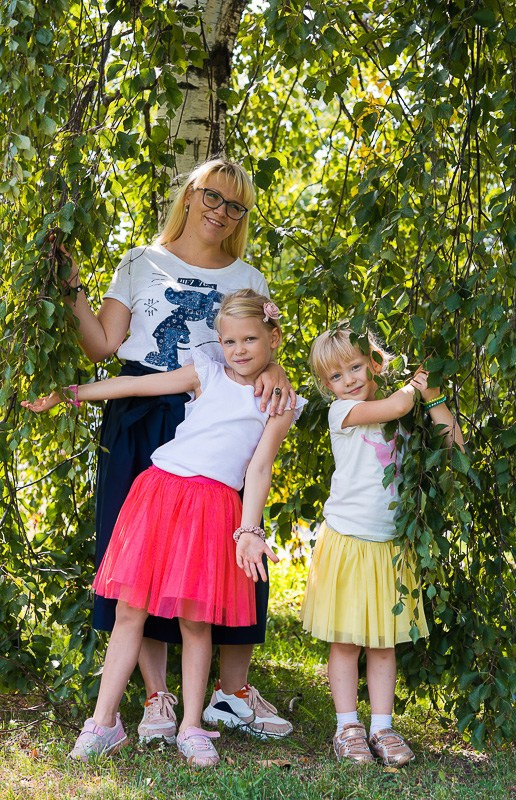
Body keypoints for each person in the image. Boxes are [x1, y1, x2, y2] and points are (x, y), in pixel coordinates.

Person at [56, 158, 295, 744]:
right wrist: (72, 291)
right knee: (141, 555)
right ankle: (157, 697)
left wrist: (281, 373)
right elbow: (103, 347)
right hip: (144, 410)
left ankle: (230, 691)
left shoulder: (249, 276)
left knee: (225, 546)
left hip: (217, 422)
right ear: (190, 195)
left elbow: (260, 348)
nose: (221, 211)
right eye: (212, 196)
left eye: (236, 205)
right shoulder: (141, 261)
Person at [22, 290, 307, 766]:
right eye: (229, 340)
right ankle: (104, 722)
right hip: (159, 494)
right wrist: (70, 395)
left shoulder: (280, 404)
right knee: (130, 609)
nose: (238, 349)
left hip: (212, 508)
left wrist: (249, 530)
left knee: (196, 620)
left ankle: (192, 726)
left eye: (250, 339)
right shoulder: (208, 371)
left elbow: (259, 469)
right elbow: (134, 387)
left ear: (274, 337)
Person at [301, 325, 464, 766]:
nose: (349, 380)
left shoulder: (405, 414)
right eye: (336, 376)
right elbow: (394, 403)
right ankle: (347, 727)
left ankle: (382, 728)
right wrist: (413, 388)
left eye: (356, 367)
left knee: (383, 644)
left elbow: (455, 447)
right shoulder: (343, 413)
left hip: (392, 545)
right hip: (349, 542)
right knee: (346, 642)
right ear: (327, 386)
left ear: (374, 362)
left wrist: (431, 394)